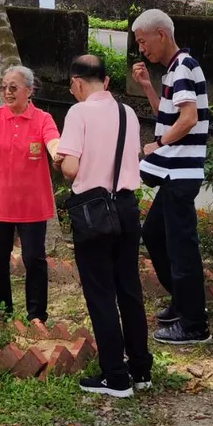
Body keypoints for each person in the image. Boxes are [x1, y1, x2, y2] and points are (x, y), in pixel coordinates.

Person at [57, 54, 152, 397]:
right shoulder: (127, 113)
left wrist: (60, 160)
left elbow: (70, 169)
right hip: (127, 208)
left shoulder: (78, 113)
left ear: (77, 83)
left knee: (100, 294)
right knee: (129, 290)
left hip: (94, 211)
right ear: (107, 81)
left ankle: (115, 376)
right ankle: (140, 369)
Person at [131, 8, 210, 346]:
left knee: (182, 248)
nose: (141, 49)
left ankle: (194, 323)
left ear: (160, 34)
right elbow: (168, 115)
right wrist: (148, 86)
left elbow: (188, 119)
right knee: (154, 234)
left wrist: (157, 144)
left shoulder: (184, 68)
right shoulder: (175, 71)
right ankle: (182, 303)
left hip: (181, 172)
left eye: (143, 41)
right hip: (174, 172)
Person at [0, 65, 59, 327]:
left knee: (34, 259)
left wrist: (58, 153)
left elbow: (53, 141)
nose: (7, 91)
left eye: (13, 87)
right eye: (3, 87)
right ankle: (2, 312)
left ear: (29, 90)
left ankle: (37, 315)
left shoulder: (43, 119)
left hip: (33, 205)